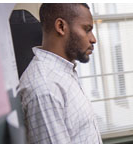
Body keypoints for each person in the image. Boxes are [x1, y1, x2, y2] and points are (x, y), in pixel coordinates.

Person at [18, 3, 102, 144]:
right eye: (87, 29)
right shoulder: (45, 87)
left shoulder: (63, 72)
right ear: (61, 27)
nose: (93, 39)